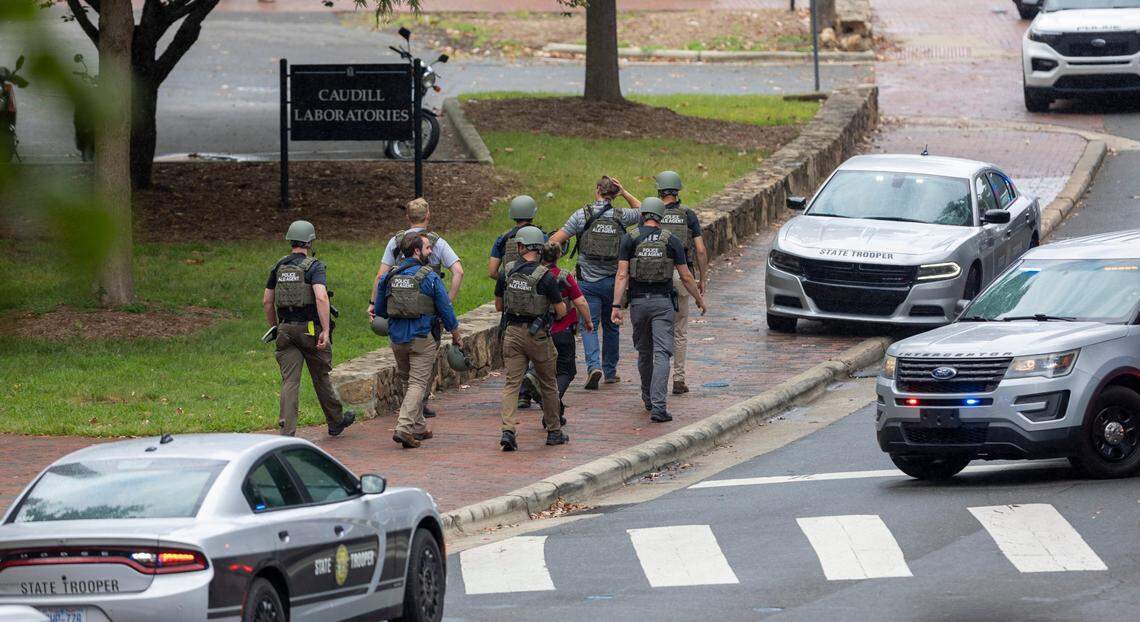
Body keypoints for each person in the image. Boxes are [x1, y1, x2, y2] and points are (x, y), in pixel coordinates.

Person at [611, 199, 707, 423]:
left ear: (643, 214)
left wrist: (616, 306)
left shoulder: (630, 238)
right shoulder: (671, 240)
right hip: (663, 304)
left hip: (637, 303)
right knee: (662, 353)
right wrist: (699, 299)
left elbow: (622, 275)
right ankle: (659, 407)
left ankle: (647, 398)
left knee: (644, 352)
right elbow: (685, 276)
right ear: (661, 216)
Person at [369, 197, 464, 418]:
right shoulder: (437, 242)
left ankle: (414, 412)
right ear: (428, 216)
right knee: (424, 362)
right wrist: (447, 301)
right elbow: (458, 271)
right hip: (428, 316)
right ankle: (415, 409)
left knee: (406, 369)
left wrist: (373, 304)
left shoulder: (395, 241)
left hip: (399, 314)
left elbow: (381, 275)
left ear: (407, 217)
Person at [262, 220, 357, 437]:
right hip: (310, 331)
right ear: (309, 241)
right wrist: (325, 329)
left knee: (290, 382)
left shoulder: (279, 266)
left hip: (285, 330)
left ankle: (286, 432)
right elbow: (321, 297)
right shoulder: (314, 266)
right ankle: (335, 422)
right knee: (321, 376)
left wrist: (275, 327)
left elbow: (267, 301)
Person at [548, 176, 642, 390]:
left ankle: (593, 367)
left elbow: (555, 240)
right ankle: (610, 371)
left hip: (587, 282)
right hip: (613, 282)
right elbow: (646, 211)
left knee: (589, 325)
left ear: (597, 190)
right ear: (614, 193)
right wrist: (625, 193)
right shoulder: (622, 215)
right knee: (612, 325)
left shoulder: (581, 215)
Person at [376, 232, 462, 449]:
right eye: (427, 248)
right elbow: (446, 310)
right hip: (422, 338)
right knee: (417, 383)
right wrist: (456, 334)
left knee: (407, 380)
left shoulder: (390, 276)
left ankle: (418, 426)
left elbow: (379, 311)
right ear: (416, 251)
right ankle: (404, 428)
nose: (431, 251)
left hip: (397, 338)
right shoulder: (429, 277)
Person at [495, 226, 569, 451]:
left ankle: (508, 430)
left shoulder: (506, 272)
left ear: (519, 247)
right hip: (537, 336)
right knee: (548, 383)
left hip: (512, 333)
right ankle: (554, 431)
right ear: (539, 248)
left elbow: (499, 305)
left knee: (511, 384)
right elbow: (561, 311)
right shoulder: (545, 276)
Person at [488, 195, 547, 410]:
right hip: (538, 299)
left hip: (512, 302)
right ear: (533, 213)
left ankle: (520, 393)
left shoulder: (503, 239)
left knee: (515, 350)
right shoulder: (541, 236)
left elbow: (492, 271)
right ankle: (532, 382)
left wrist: (511, 281)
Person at [524, 241, 593, 421]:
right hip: (562, 331)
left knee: (545, 370)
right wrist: (588, 321)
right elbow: (580, 302)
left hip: (537, 331)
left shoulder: (532, 276)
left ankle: (534, 379)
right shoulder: (564, 276)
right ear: (559, 255)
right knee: (566, 372)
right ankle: (551, 406)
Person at [654, 171, 709, 395]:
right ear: (678, 191)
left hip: (657, 275)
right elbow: (701, 250)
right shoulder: (688, 214)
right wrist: (701, 280)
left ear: (659, 191)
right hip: (681, 276)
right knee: (680, 330)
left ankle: (657, 378)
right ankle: (679, 378)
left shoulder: (653, 214)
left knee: (659, 329)